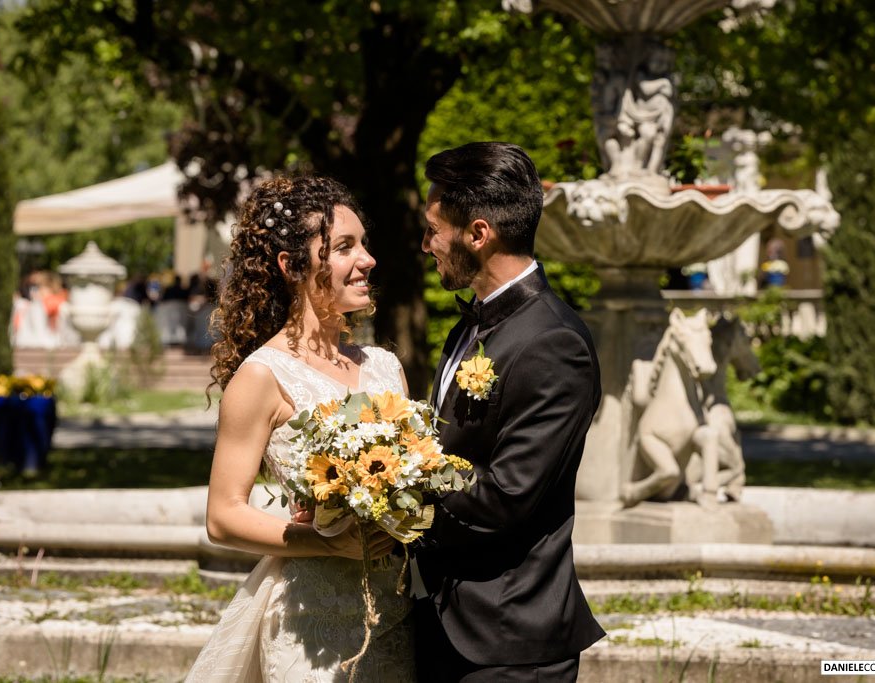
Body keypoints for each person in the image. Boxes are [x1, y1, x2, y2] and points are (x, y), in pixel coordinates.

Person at [186, 175, 416, 682]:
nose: (368, 259)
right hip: (310, 625)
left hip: (397, 615)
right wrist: (326, 542)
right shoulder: (261, 376)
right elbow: (223, 517)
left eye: (364, 244)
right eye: (343, 247)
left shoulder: (384, 366)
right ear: (292, 267)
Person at [413, 142, 605, 681]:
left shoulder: (553, 343)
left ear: (478, 233)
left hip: (507, 641)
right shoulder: (469, 325)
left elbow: (506, 495)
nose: (426, 245)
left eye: (433, 229)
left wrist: (395, 475)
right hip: (444, 617)